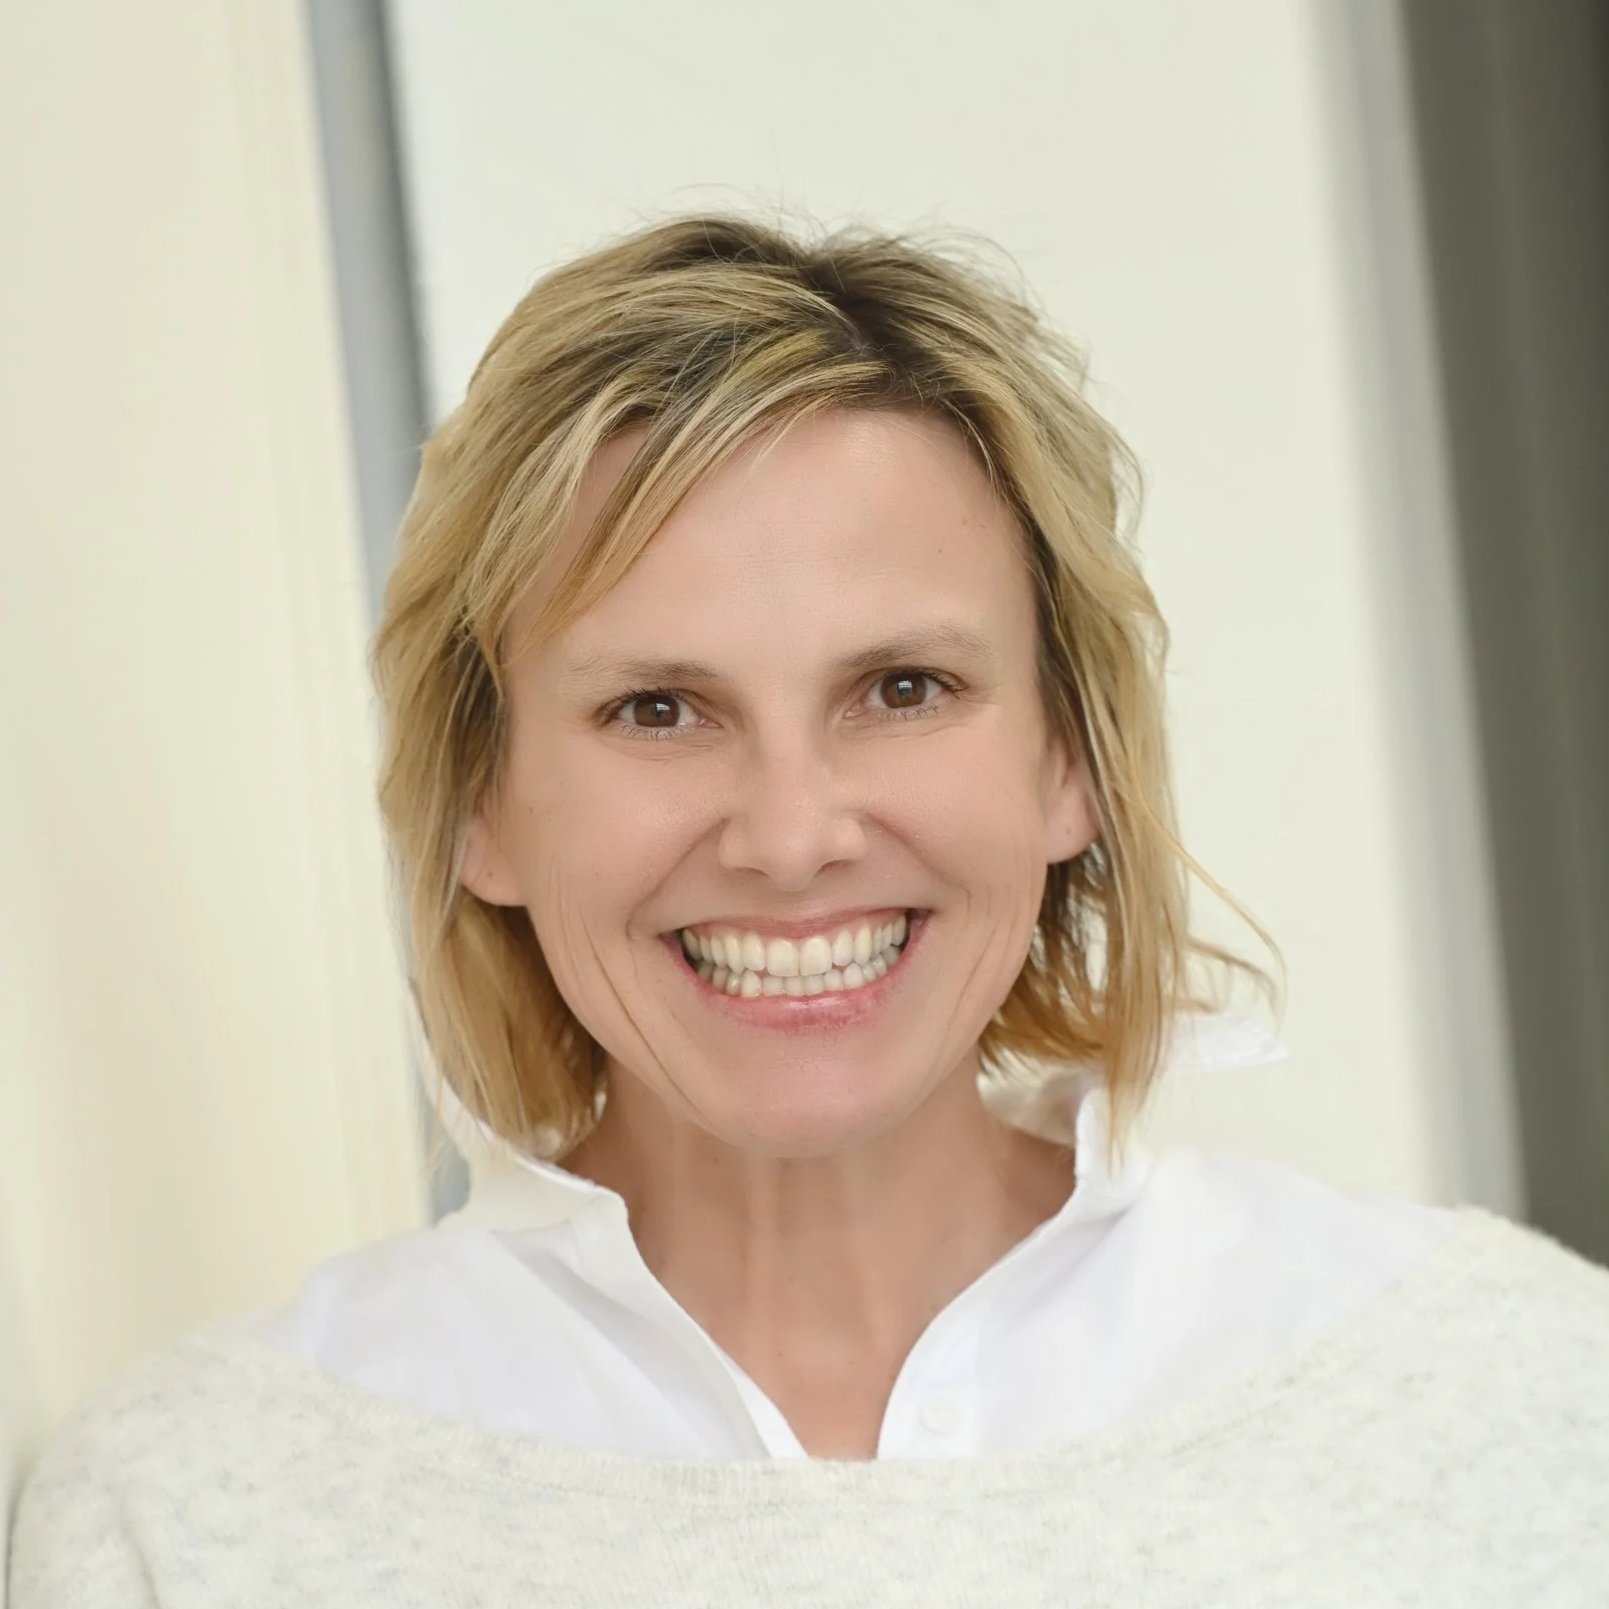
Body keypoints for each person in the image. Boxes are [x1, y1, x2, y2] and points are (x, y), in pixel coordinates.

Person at [9, 212, 1608, 1605]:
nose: (789, 836)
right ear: (482, 800)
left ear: (1069, 760)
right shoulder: (190, 1517)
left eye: (901, 687)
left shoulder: (1510, 1387)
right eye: (656, 708)